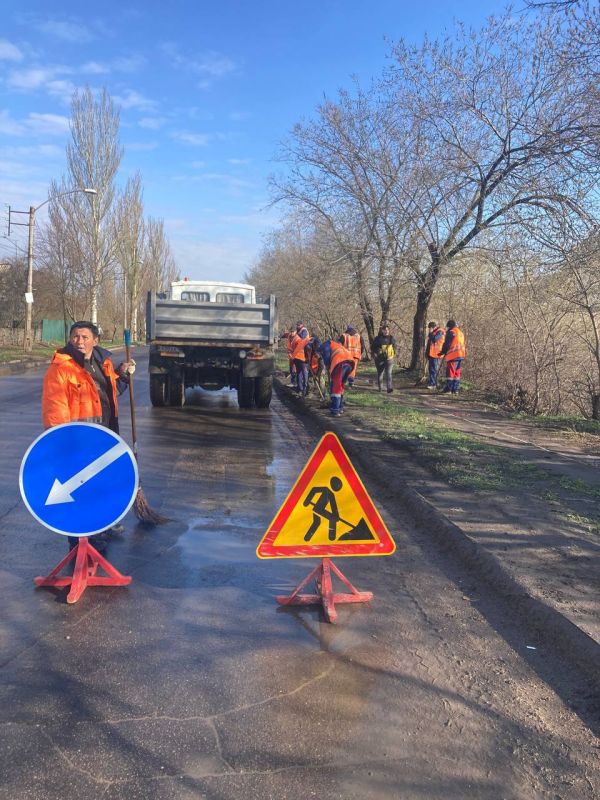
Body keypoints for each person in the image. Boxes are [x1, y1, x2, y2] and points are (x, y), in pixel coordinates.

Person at [42, 321, 135, 550]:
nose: (79, 341)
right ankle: (80, 541)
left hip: (104, 436)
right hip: (78, 440)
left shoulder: (103, 363)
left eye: (84, 337)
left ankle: (100, 528)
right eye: (75, 336)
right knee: (80, 491)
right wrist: (62, 441)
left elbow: (108, 393)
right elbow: (55, 409)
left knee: (100, 485)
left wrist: (122, 375)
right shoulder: (61, 368)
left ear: (96, 340)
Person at [318, 338, 354, 416]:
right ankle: (340, 408)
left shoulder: (326, 345)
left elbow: (327, 358)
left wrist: (327, 365)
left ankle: (335, 410)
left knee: (336, 388)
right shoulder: (336, 345)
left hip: (340, 364)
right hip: (350, 363)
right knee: (340, 385)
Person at [440, 319, 466, 394]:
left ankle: (448, 389)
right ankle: (455, 389)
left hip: (453, 355)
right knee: (457, 373)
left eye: (447, 327)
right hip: (461, 354)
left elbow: (447, 344)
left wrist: (443, 351)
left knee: (450, 373)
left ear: (450, 326)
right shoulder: (460, 333)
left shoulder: (451, 332)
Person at [372, 323, 396, 393]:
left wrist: (393, 353)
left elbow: (395, 347)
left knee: (388, 373)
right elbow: (372, 347)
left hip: (389, 359)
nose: (386, 331)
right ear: (382, 331)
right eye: (385, 330)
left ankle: (389, 388)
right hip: (380, 359)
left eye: (387, 330)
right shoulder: (378, 338)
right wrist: (378, 351)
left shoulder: (392, 338)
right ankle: (380, 388)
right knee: (380, 373)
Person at [290, 321, 310, 396]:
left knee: (299, 373)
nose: (298, 326)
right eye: (297, 325)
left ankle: (300, 388)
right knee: (304, 373)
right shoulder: (298, 337)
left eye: (298, 325)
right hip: (302, 358)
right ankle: (304, 389)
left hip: (297, 358)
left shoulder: (297, 335)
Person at [426, 321, 445, 389]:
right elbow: (429, 343)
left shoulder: (440, 332)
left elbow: (434, 339)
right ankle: (432, 382)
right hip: (432, 354)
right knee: (431, 369)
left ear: (433, 327)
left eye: (430, 328)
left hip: (437, 354)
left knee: (434, 369)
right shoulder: (434, 332)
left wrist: (431, 333)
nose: (429, 330)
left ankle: (434, 384)